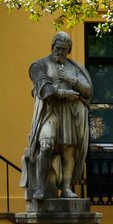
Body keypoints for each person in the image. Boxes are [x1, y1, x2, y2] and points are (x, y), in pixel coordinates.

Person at [22, 31, 92, 203]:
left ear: (69, 51)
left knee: (69, 150)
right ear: (52, 47)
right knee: (46, 145)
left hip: (69, 113)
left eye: (65, 50)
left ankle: (66, 188)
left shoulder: (74, 68)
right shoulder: (39, 65)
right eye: (58, 48)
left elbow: (88, 91)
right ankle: (40, 187)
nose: (60, 52)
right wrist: (64, 93)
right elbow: (44, 90)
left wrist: (71, 80)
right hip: (48, 112)